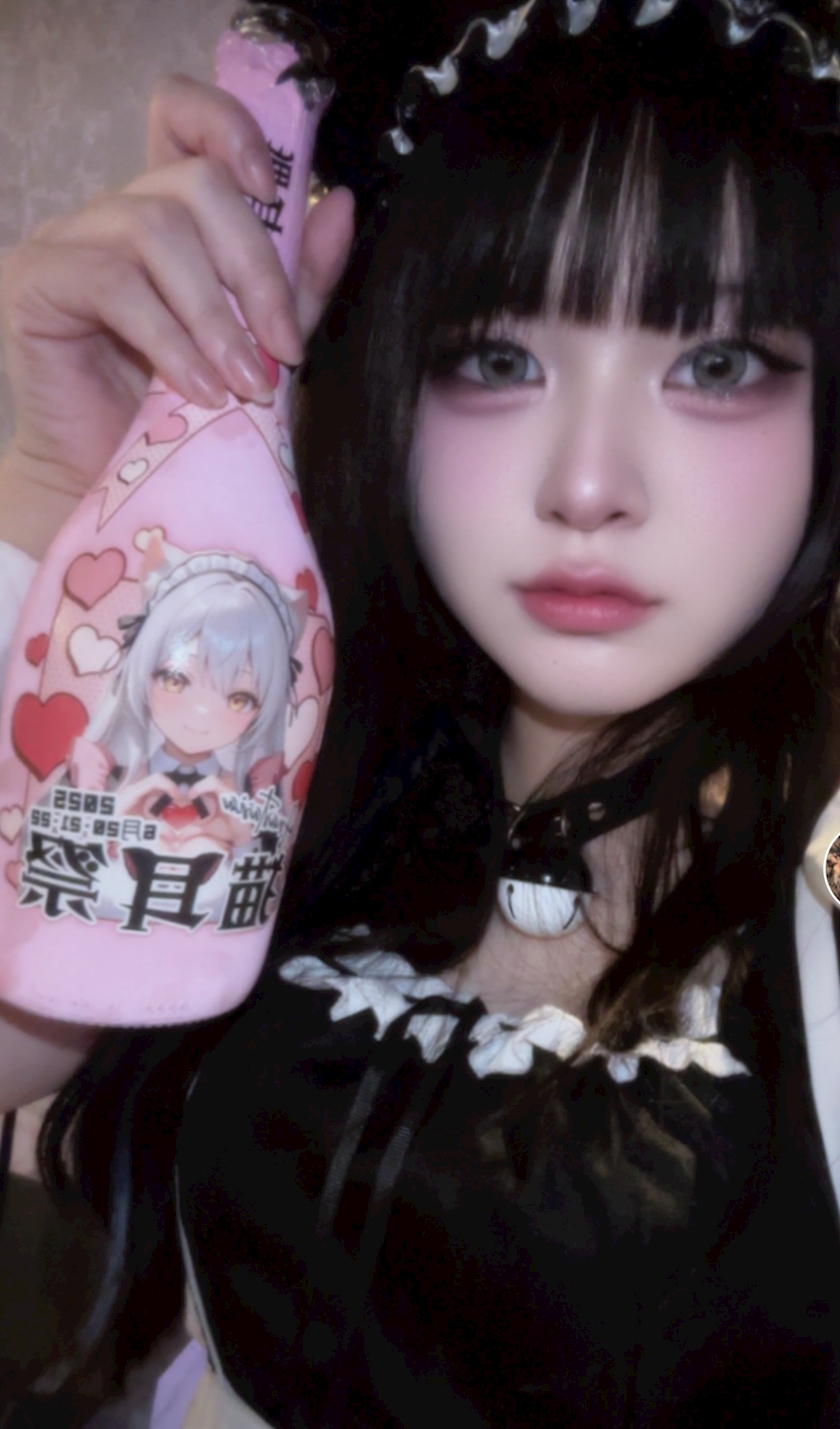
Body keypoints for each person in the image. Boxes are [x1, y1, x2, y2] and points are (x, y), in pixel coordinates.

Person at [2, 0, 840, 1424]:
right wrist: (53, 512)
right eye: (498, 358)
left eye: (714, 364)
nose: (587, 486)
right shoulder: (277, 770)